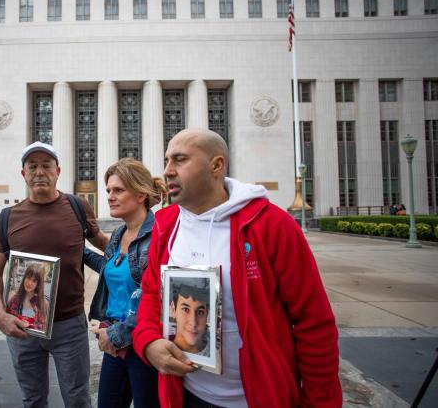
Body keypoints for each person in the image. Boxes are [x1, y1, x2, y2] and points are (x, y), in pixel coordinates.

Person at [133, 129, 342, 408]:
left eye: (180, 160)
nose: (168, 171)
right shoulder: (166, 224)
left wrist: (320, 403)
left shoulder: (272, 225)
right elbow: (151, 295)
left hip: (258, 398)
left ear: (216, 165)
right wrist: (148, 343)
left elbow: (313, 322)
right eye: (167, 161)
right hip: (186, 394)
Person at [0, 141, 108, 408]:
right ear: (24, 174)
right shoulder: (9, 217)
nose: (39, 172)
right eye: (32, 166)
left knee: (77, 399)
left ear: (58, 171)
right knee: (33, 399)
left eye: (46, 165)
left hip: (69, 326)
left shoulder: (77, 207)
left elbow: (104, 244)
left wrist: (144, 243)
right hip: (22, 327)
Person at [84, 158, 166, 408]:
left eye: (118, 190)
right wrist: (75, 249)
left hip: (142, 343)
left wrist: (117, 334)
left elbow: (159, 296)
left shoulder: (159, 235)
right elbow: (112, 269)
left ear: (141, 194)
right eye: (108, 190)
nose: (109, 196)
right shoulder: (120, 233)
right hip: (113, 342)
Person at [169, 281, 209, 356]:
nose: (193, 323)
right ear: (173, 309)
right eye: (185, 309)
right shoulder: (159, 344)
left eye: (200, 312)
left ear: (207, 313)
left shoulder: (217, 355)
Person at [6, 262, 47, 331]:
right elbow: (7, 321)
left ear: (38, 284)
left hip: (34, 341)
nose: (29, 283)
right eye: (28, 278)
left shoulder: (42, 303)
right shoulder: (14, 299)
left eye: (34, 281)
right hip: (14, 340)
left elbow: (43, 328)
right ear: (24, 278)